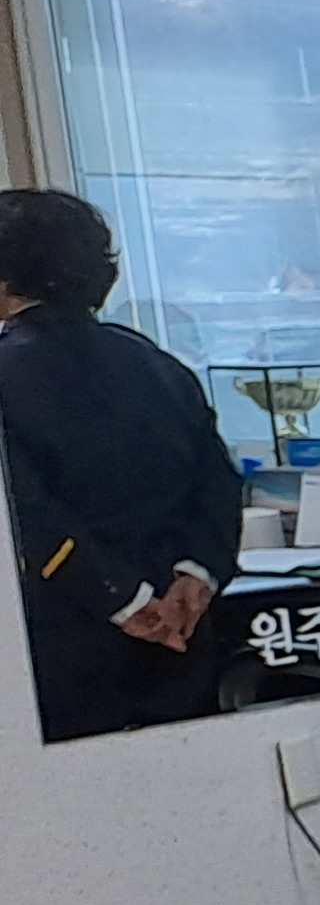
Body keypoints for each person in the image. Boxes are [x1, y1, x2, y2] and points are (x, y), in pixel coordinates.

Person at [0, 188, 242, 744]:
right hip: (184, 633)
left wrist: (124, 600)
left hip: (66, 640)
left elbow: (27, 513)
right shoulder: (156, 363)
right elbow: (219, 484)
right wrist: (196, 576)